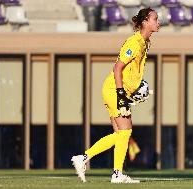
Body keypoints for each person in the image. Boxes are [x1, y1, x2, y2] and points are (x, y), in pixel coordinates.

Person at [71, 7, 160, 184]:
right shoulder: (134, 43)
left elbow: (131, 72)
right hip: (114, 90)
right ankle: (84, 158)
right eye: (155, 19)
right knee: (125, 132)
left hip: (119, 90)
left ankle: (115, 173)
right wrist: (121, 95)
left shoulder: (145, 42)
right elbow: (117, 67)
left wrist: (134, 89)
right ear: (145, 22)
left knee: (120, 134)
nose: (159, 22)